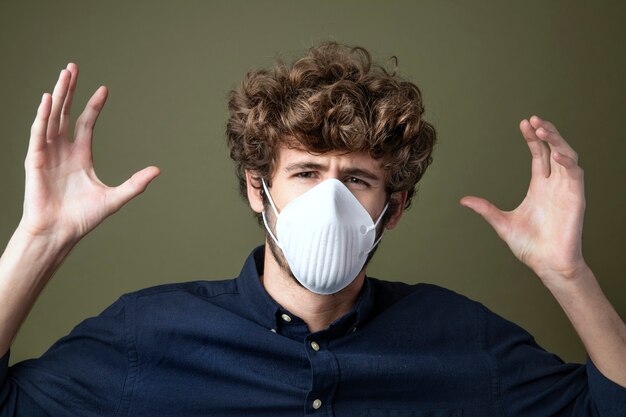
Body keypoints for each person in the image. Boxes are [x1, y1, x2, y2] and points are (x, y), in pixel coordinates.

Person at [0, 42, 625, 417]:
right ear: (257, 189)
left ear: (395, 207)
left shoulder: (464, 340)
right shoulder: (147, 335)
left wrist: (568, 274)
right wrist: (40, 240)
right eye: (305, 172)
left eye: (355, 179)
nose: (329, 200)